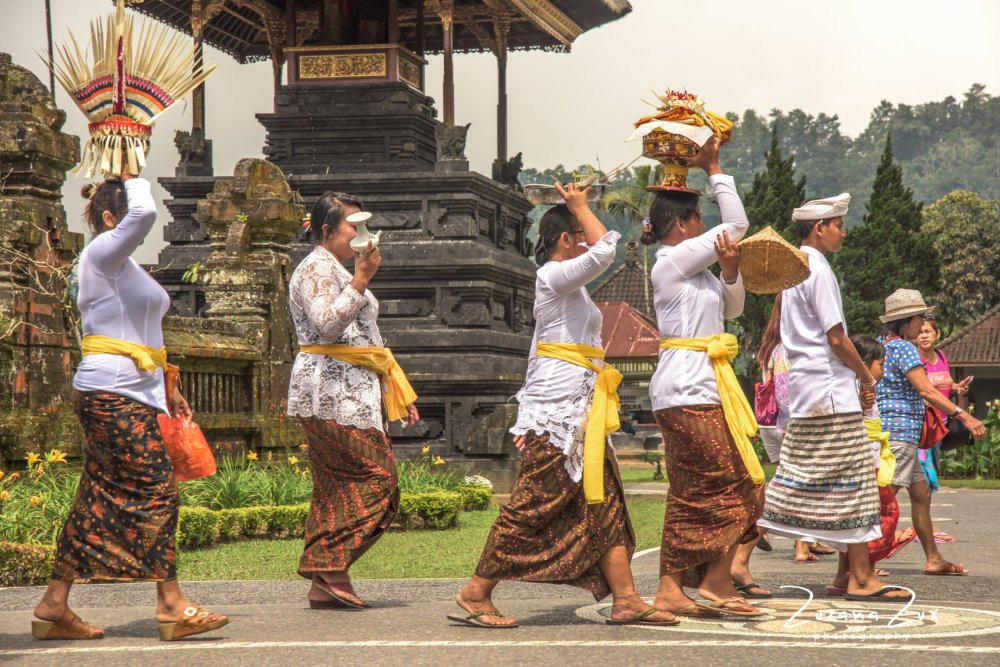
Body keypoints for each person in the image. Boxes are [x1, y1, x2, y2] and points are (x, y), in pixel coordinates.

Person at [452, 183, 676, 629]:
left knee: (606, 500)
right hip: (557, 414)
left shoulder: (572, 287)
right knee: (535, 503)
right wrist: (580, 206)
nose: (587, 239)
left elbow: (597, 254)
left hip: (582, 411)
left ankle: (627, 599)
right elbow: (604, 253)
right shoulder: (550, 277)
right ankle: (476, 592)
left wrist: (580, 213)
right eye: (580, 233)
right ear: (565, 240)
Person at [32, 169, 228, 641]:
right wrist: (133, 174)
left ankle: (54, 605)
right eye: (121, 222)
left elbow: (140, 331)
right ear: (107, 219)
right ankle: (171, 604)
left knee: (97, 496)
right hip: (110, 393)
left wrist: (167, 383)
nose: (135, 233)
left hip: (128, 391)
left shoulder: (125, 267)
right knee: (156, 491)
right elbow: (144, 212)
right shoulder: (101, 254)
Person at [758, 193, 910, 602]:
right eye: (838, 224)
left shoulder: (795, 270)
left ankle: (851, 575)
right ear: (819, 228)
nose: (843, 231)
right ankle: (859, 577)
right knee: (853, 481)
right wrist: (865, 377)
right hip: (830, 391)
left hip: (811, 393)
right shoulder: (818, 269)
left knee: (806, 478)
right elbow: (837, 337)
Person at [644, 137, 765, 618]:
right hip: (686, 388)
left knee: (698, 489)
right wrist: (715, 169)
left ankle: (677, 587)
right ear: (683, 225)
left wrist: (731, 271)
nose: (708, 227)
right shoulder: (672, 262)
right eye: (699, 219)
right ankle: (713, 581)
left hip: (705, 387)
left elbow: (731, 310)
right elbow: (737, 223)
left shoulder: (700, 273)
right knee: (738, 482)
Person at [288, 192, 420, 609]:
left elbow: (365, 340)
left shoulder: (337, 269)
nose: (363, 235)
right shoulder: (314, 269)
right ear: (327, 232)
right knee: (380, 479)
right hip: (328, 394)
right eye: (353, 227)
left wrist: (395, 389)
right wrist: (361, 280)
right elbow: (327, 326)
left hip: (351, 390)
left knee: (335, 488)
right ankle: (324, 563)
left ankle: (328, 580)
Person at [875, 289, 986, 576]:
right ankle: (862, 565)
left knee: (921, 494)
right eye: (920, 318)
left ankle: (934, 558)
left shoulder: (881, 345)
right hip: (899, 434)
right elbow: (925, 389)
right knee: (884, 500)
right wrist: (964, 415)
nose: (923, 324)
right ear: (906, 320)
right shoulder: (903, 348)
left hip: (896, 433)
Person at [745, 294, 816, 567]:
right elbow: (787, 393)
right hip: (788, 423)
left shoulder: (770, 347)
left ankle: (806, 540)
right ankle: (767, 533)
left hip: (768, 423)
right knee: (798, 483)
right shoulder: (791, 347)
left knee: (788, 481)